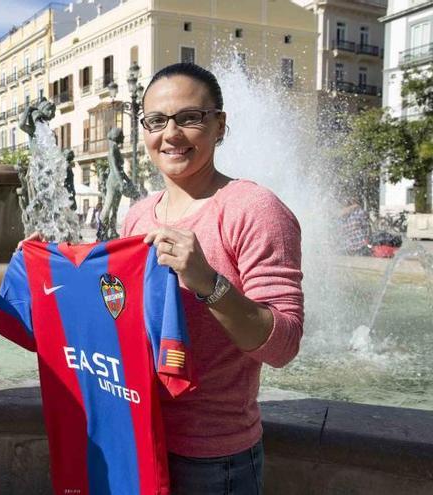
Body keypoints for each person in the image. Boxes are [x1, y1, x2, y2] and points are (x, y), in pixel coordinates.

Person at [19, 63, 303, 495]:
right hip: (135, 438)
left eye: (190, 118)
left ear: (220, 125)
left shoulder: (255, 210)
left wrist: (208, 282)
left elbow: (283, 345)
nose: (170, 134)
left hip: (212, 457)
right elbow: (119, 316)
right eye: (155, 121)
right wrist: (49, 269)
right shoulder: (138, 215)